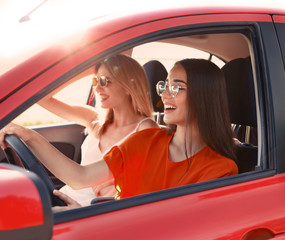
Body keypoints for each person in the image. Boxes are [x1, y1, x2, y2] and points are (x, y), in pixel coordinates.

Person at [0, 58, 238, 211]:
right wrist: (28, 136)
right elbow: (80, 177)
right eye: (164, 86)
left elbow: (178, 228)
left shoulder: (220, 170)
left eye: (176, 87)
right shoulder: (146, 140)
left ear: (204, 96)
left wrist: (88, 218)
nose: (165, 95)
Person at [37, 54, 159, 205]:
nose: (97, 88)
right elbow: (41, 97)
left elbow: (135, 190)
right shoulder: (93, 118)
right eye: (95, 81)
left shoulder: (145, 129)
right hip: (64, 199)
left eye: (104, 81)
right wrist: (88, 69)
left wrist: (30, 136)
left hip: (92, 209)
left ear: (129, 86)